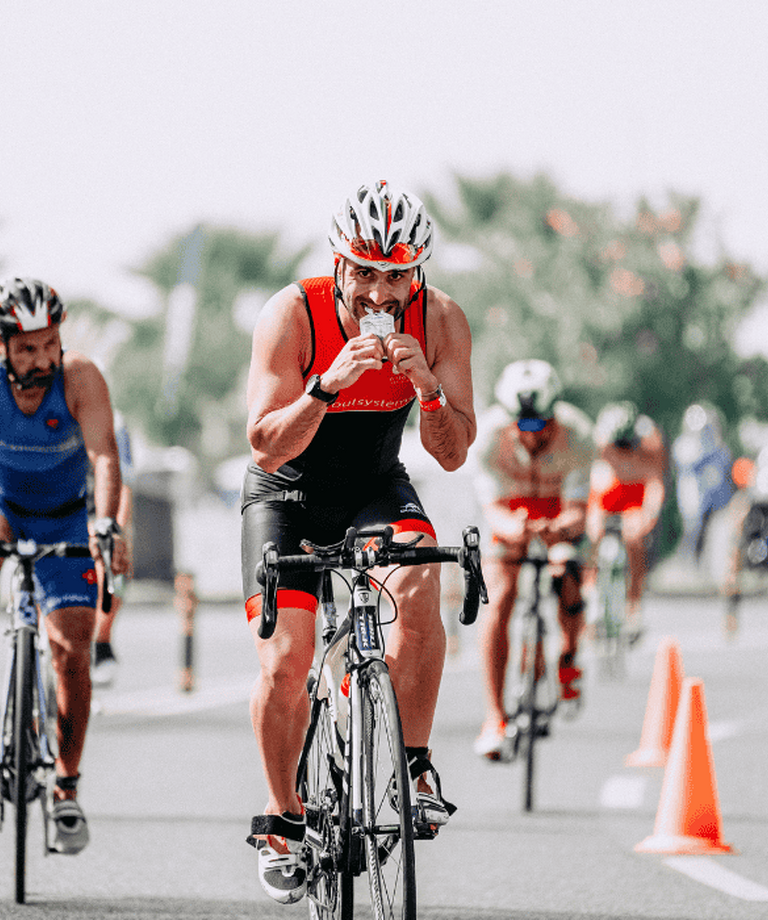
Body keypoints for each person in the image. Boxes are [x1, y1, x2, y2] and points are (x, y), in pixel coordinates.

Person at [241, 180, 476, 904]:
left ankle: (412, 766)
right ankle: (284, 817)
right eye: (365, 272)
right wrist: (325, 385)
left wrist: (428, 388)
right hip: (287, 496)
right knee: (287, 663)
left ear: (416, 274)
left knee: (420, 583)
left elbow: (453, 453)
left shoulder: (439, 319)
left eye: (396, 276)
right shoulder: (293, 314)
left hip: (375, 487)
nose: (379, 291)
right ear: (339, 264)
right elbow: (265, 444)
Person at [0, 278, 128, 855]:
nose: (42, 359)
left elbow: (104, 457)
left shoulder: (80, 377)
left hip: (65, 521)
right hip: (5, 511)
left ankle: (66, 786)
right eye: (27, 348)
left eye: (49, 344)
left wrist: (105, 526)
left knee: (73, 650)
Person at [472, 359, 595, 761]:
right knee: (499, 597)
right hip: (511, 520)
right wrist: (516, 528)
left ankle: (568, 656)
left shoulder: (579, 434)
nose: (532, 433)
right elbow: (492, 508)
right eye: (522, 424)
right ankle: (495, 717)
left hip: (559, 517)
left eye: (540, 423)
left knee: (567, 570)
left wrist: (559, 527)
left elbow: (579, 510)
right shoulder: (488, 437)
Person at [586, 401, 666, 642]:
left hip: (635, 498)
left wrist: (647, 517)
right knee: (593, 537)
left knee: (635, 542)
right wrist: (591, 517)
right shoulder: (598, 442)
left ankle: (633, 606)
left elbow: (655, 484)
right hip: (607, 494)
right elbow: (590, 485)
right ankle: (591, 596)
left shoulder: (651, 441)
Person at [91, 410, 134, 686]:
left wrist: (117, 531)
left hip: (101, 506)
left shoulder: (115, 422)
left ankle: (101, 642)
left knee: (112, 571)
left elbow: (125, 485)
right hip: (61, 502)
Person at [671, 402, 734, 564]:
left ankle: (703, 566)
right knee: (693, 531)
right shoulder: (684, 444)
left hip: (715, 499)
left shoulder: (718, 446)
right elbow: (688, 463)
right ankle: (687, 564)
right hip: (693, 495)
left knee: (714, 535)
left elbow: (725, 463)